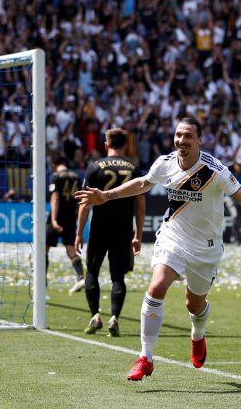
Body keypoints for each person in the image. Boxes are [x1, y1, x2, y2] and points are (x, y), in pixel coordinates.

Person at [75, 116, 241, 381]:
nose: (181, 140)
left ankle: (198, 334)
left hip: (206, 248)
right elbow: (143, 183)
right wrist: (107, 195)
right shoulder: (165, 164)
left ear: (199, 140)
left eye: (188, 135)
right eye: (178, 135)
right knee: (156, 287)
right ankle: (145, 358)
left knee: (195, 304)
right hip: (173, 238)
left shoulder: (215, 170)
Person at [75, 129, 145, 337]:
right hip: (123, 230)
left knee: (92, 272)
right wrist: (138, 235)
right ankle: (114, 318)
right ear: (126, 145)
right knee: (118, 277)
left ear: (106, 145)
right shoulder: (135, 169)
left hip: (100, 229)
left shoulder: (95, 167)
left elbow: (84, 204)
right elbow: (141, 206)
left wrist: (79, 232)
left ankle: (95, 315)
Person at [46, 156, 84, 293]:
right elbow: (81, 199)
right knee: (71, 250)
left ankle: (41, 281)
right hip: (71, 217)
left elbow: (55, 197)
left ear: (53, 164)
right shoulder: (76, 177)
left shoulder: (55, 176)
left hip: (58, 217)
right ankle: (80, 277)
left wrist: (54, 219)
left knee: (44, 248)